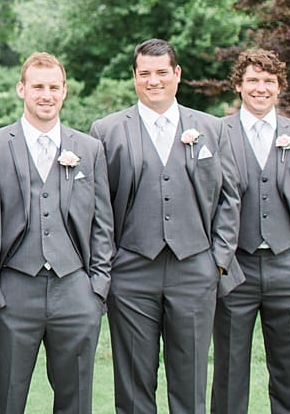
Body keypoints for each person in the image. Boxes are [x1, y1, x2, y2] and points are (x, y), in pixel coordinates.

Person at [89, 38, 242, 414]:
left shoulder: (210, 128)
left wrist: (217, 260)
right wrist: (111, 264)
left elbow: (230, 198)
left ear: (177, 74)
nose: (153, 81)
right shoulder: (106, 131)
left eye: (161, 73)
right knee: (133, 381)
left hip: (194, 268)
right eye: (145, 74)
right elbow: (97, 205)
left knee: (189, 381)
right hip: (131, 271)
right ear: (135, 78)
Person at [0, 52, 113, 414]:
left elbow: (103, 223)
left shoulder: (89, 149)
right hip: (12, 291)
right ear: (21, 89)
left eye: (54, 87)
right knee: (7, 399)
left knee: (76, 402)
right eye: (38, 86)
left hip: (75, 291)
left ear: (65, 91)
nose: (46, 94)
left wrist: (97, 288)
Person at [211, 48, 290, 414]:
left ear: (279, 87)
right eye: (253, 81)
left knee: (289, 373)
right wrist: (218, 262)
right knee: (229, 373)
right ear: (239, 86)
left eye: (268, 81)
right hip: (235, 268)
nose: (260, 88)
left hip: (289, 267)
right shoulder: (215, 132)